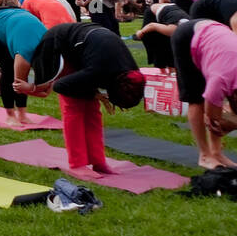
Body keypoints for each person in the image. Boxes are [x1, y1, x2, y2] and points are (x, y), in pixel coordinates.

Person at [25, 23, 146, 174]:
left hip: (89, 51)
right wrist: (95, 94)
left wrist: (97, 96)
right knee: (74, 106)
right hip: (60, 45)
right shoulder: (99, 70)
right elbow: (60, 86)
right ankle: (77, 164)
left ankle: (98, 162)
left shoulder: (132, 72)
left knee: (93, 110)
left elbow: (99, 75)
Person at [170, 18, 237, 168]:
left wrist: (234, 123)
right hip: (187, 36)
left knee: (221, 115)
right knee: (196, 101)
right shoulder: (219, 81)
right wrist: (224, 124)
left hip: (215, 35)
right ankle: (205, 155)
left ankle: (216, 153)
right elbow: (212, 119)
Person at [0, 6, 47, 128]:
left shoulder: (49, 46)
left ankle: (22, 114)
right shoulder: (26, 52)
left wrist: (34, 88)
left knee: (21, 74)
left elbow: (46, 90)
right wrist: (32, 88)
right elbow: (18, 84)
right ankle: (10, 115)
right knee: (9, 70)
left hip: (14, 18)